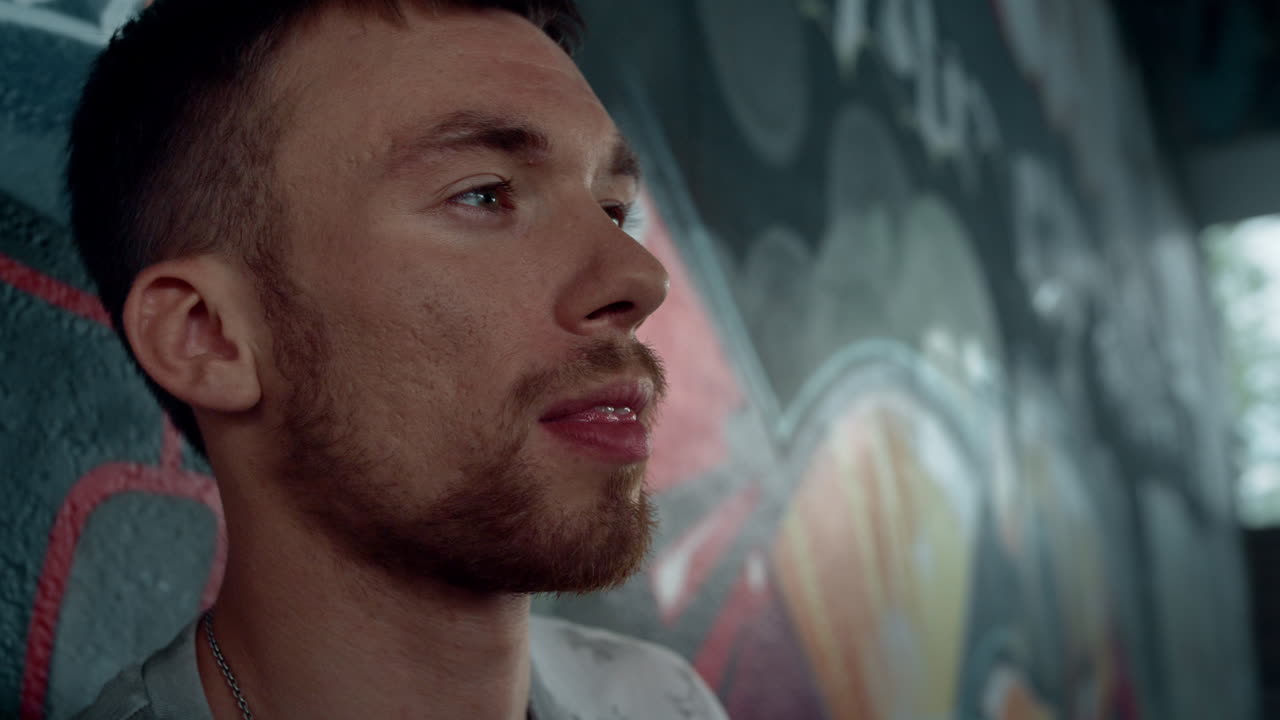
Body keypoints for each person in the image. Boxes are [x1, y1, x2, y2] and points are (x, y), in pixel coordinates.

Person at [66, 0, 726, 718]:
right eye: (484, 194)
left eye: (611, 208)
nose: (641, 278)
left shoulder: (660, 700)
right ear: (207, 336)